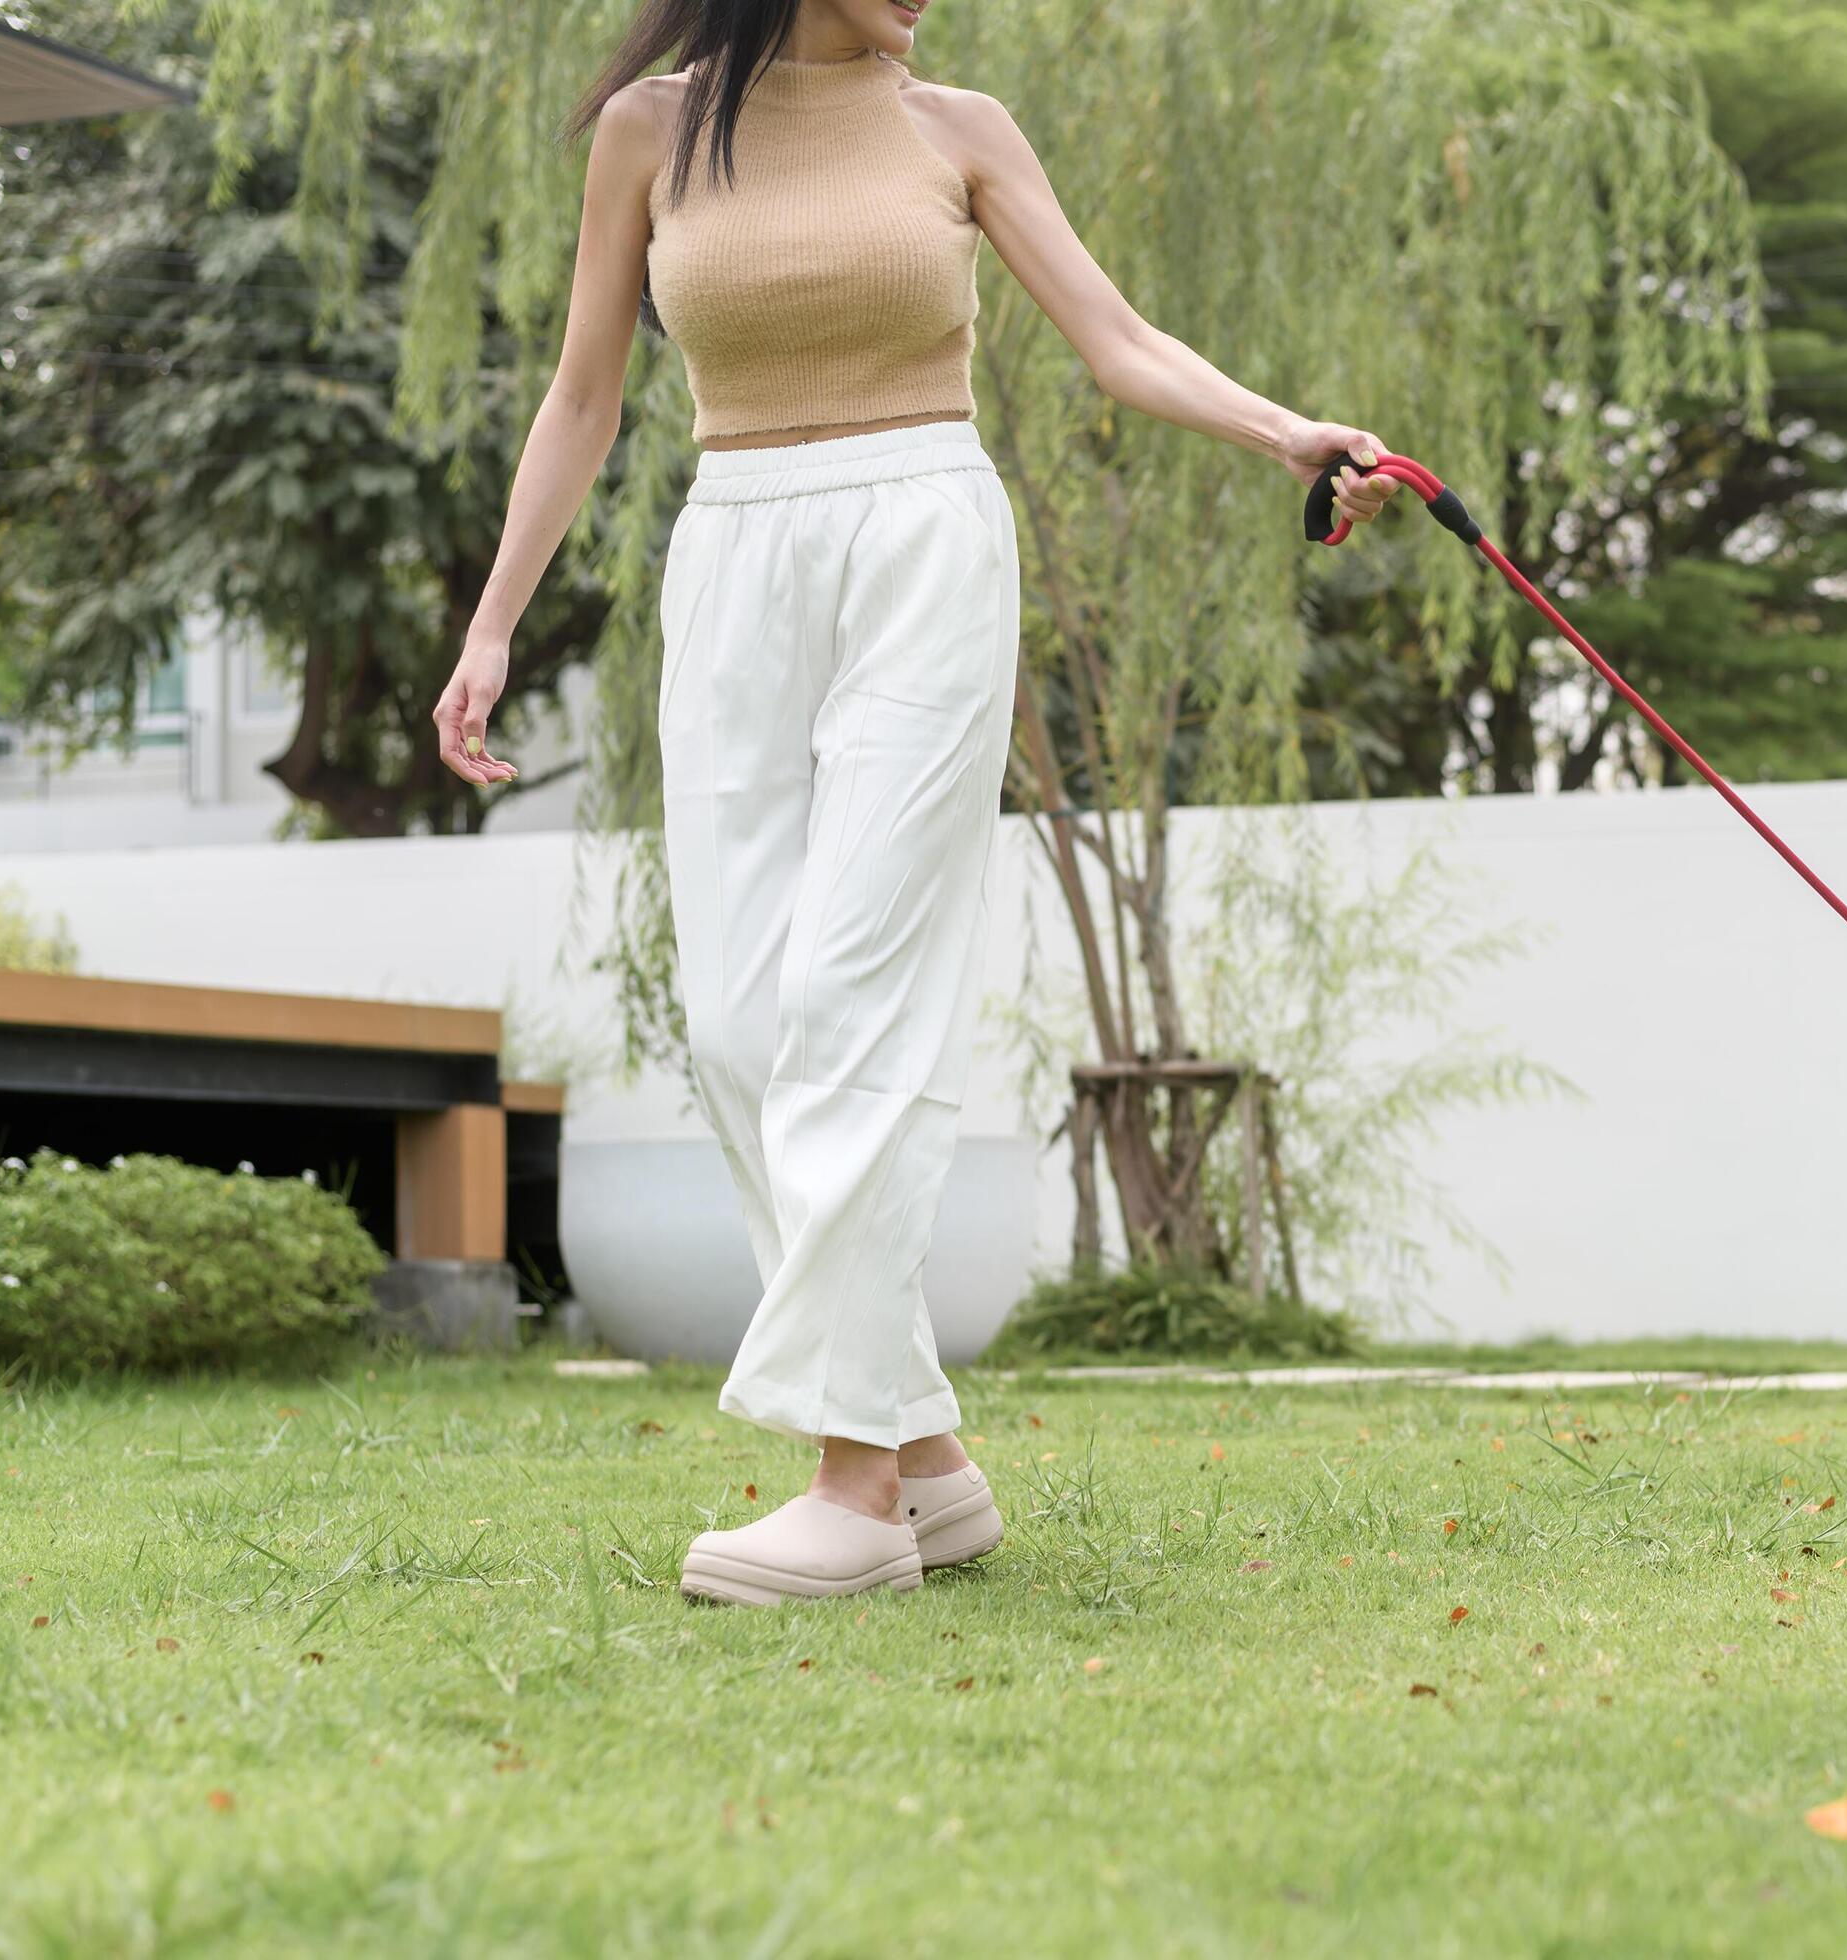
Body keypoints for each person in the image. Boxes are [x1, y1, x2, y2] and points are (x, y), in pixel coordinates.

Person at [434, 0, 1403, 1605]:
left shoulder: (960, 128)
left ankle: (855, 1489)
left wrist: (1289, 432)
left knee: (850, 994)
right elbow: (583, 400)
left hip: (922, 541)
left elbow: (1121, 342)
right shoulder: (646, 134)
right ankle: (931, 1461)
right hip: (736, 545)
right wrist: (489, 626)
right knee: (742, 1017)